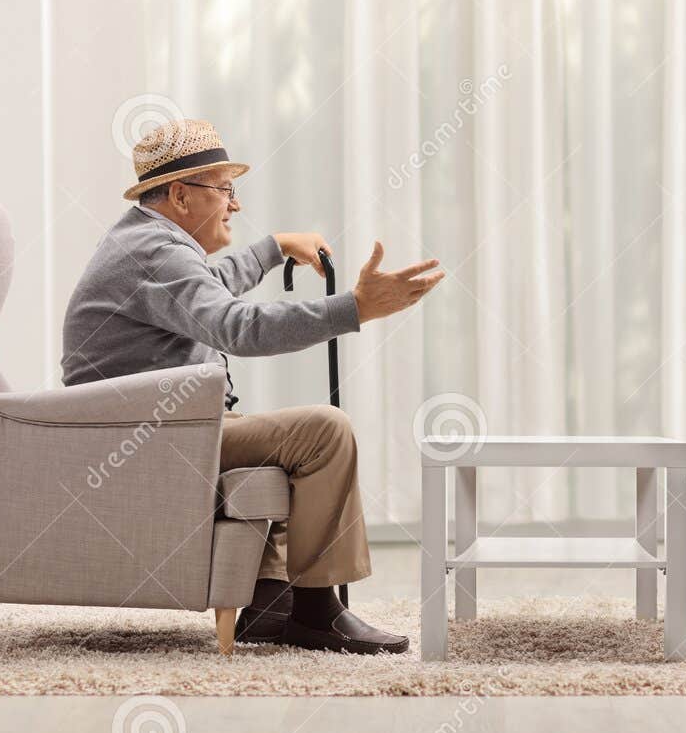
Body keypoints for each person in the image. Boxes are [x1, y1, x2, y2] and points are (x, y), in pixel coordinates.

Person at [62, 119, 443, 654]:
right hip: (149, 438)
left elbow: (209, 286)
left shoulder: (144, 242)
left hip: (146, 429)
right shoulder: (158, 252)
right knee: (322, 431)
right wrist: (355, 308)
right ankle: (315, 609)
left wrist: (273, 248)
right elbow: (237, 327)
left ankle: (269, 604)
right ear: (180, 195)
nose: (234, 205)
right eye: (226, 190)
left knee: (278, 437)